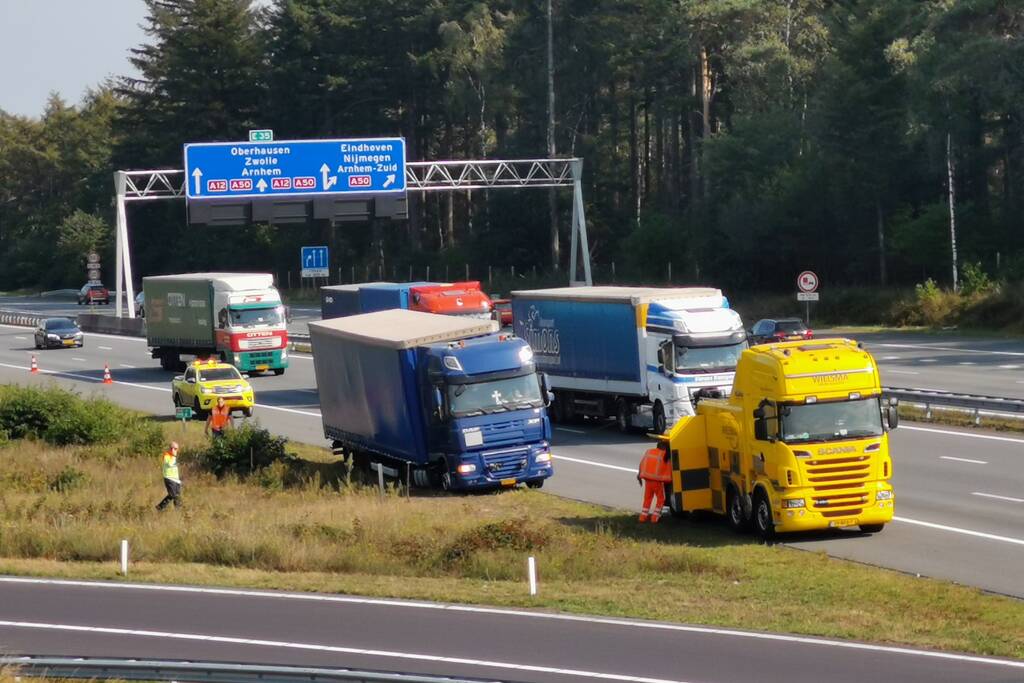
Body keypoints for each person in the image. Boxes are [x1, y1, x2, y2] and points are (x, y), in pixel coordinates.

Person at [637, 444, 672, 523]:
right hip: (657, 482)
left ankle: (642, 517)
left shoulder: (649, 451)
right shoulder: (664, 454)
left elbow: (642, 463)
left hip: (647, 480)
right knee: (661, 499)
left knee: (647, 499)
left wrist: (639, 476)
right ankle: (655, 518)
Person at [156, 441, 182, 511]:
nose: (176, 450)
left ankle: (178, 511)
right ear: (171, 448)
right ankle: (160, 507)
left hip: (176, 479)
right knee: (172, 495)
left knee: (177, 496)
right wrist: (173, 455)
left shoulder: (174, 456)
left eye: (177, 449)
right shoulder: (167, 455)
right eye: (175, 449)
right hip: (169, 478)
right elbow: (170, 464)